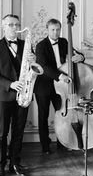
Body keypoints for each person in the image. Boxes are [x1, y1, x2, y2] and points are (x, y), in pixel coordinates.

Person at [34, 18, 84, 154]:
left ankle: (62, 142)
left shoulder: (64, 42)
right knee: (43, 116)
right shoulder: (41, 46)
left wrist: (80, 57)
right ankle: (45, 146)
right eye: (53, 30)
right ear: (47, 30)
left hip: (61, 87)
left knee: (62, 114)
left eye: (58, 30)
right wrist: (60, 76)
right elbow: (43, 66)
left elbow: (76, 54)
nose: (55, 33)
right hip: (44, 86)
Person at [0, 14, 28, 176]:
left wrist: (33, 61)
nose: (14, 27)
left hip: (23, 96)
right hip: (3, 96)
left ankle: (15, 164)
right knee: (2, 133)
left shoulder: (26, 45)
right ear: (3, 26)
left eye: (17, 24)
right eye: (11, 24)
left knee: (18, 132)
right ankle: (0, 165)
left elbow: (31, 68)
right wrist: (10, 84)